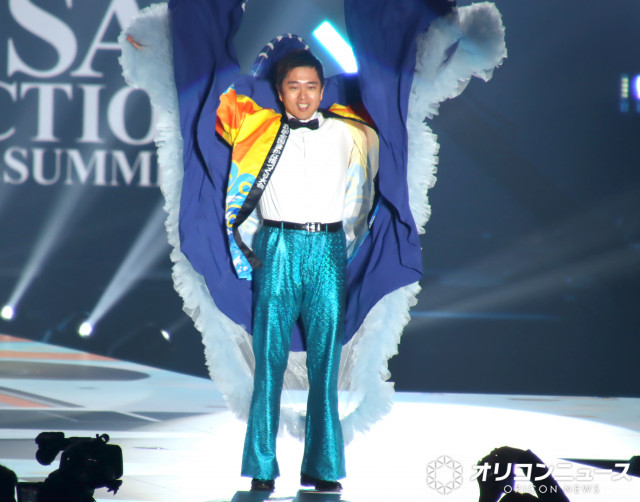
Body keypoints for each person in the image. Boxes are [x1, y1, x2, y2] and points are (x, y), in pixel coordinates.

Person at [216, 49, 379, 492]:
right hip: (277, 247)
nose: (303, 96)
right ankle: (261, 466)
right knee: (268, 363)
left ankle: (323, 467)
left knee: (326, 365)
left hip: (327, 249)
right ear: (279, 91)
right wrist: (161, 51)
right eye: (294, 87)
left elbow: (397, 101)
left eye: (311, 87)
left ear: (323, 91)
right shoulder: (258, 129)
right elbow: (205, 97)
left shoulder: (350, 132)